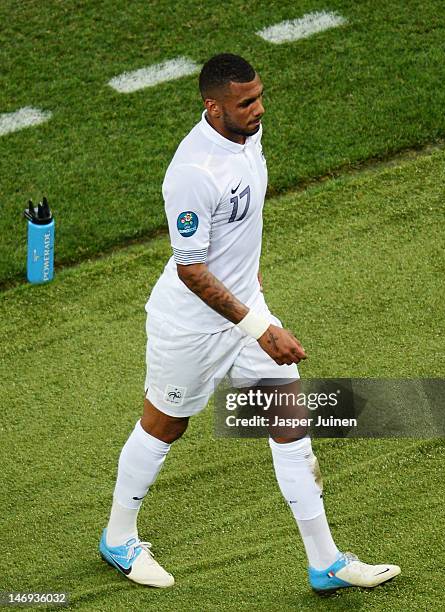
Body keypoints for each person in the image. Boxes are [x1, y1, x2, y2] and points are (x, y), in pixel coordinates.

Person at [99, 53, 401, 593]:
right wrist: (259, 327)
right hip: (191, 326)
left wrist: (250, 283)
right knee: (165, 424)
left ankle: (325, 561)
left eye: (260, 96)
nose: (259, 109)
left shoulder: (246, 136)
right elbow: (190, 268)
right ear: (212, 107)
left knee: (289, 420)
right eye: (246, 103)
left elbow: (239, 224)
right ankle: (118, 538)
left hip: (243, 310)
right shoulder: (192, 173)